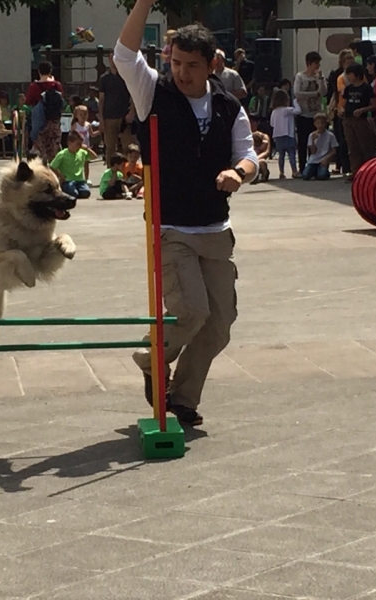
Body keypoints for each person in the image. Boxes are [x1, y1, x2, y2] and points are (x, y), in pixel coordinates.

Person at [115, 0, 258, 427]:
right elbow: (123, 54)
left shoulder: (229, 106)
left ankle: (182, 399)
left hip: (215, 228)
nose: (182, 72)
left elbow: (248, 154)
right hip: (170, 225)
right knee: (191, 310)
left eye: (191, 65)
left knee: (219, 325)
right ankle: (151, 356)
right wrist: (143, 3)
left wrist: (240, 173)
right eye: (176, 62)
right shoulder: (151, 91)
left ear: (212, 64)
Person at [98, 51, 135, 165]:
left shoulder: (126, 75)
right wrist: (101, 118)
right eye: (111, 58)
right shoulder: (104, 78)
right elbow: (101, 99)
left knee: (128, 146)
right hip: (109, 116)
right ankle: (110, 173)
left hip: (125, 116)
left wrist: (132, 112)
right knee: (110, 147)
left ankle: (128, 170)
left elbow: (134, 94)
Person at [343, 63, 376, 179]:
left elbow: (374, 104)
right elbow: (343, 102)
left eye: (350, 74)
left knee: (365, 146)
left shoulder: (366, 88)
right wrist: (341, 109)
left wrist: (362, 110)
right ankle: (355, 171)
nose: (348, 76)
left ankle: (368, 171)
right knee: (352, 147)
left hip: (361, 120)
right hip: (348, 119)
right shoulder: (348, 88)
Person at [294, 51, 327, 172]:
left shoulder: (318, 77)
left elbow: (323, 92)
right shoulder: (300, 76)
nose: (317, 66)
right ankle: (302, 167)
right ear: (309, 64)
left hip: (316, 114)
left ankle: (315, 165)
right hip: (304, 113)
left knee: (317, 142)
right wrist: (314, 94)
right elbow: (297, 93)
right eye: (315, 63)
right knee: (303, 142)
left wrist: (321, 79)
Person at [26, 60, 65, 162]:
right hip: (55, 122)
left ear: (39, 71)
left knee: (41, 151)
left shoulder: (34, 86)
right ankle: (54, 172)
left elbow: (29, 101)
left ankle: (43, 173)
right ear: (51, 71)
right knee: (54, 152)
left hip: (41, 123)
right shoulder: (57, 85)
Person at [50, 131, 98, 199]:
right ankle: (66, 190)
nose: (79, 146)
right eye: (77, 144)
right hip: (68, 181)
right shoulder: (62, 154)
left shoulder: (82, 152)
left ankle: (79, 190)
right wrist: (60, 175)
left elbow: (94, 157)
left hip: (80, 181)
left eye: (81, 144)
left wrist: (87, 149)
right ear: (69, 143)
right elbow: (52, 166)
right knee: (74, 193)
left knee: (86, 192)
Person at [331, 49, 355, 176]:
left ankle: (352, 166)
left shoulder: (358, 72)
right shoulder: (338, 75)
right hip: (341, 108)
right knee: (342, 139)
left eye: (351, 58)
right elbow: (338, 92)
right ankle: (343, 165)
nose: (350, 61)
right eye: (347, 59)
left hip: (355, 109)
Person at [270, 88, 300, 179]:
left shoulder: (274, 111)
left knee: (281, 155)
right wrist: (296, 102)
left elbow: (272, 123)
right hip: (288, 134)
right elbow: (298, 111)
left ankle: (281, 172)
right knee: (291, 154)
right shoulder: (287, 110)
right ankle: (294, 171)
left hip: (277, 135)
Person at [303, 113, 337, 180]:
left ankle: (322, 172)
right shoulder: (311, 135)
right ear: (314, 124)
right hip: (313, 160)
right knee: (305, 176)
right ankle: (315, 172)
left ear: (325, 124)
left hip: (323, 160)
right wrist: (313, 141)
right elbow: (313, 152)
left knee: (322, 176)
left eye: (322, 123)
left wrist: (326, 159)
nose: (320, 125)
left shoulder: (330, 135)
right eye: (318, 123)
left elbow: (334, 150)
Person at [71, 104, 99, 183]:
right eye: (81, 115)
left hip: (86, 147)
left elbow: (92, 134)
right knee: (76, 162)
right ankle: (75, 177)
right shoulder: (75, 125)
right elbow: (71, 135)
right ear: (76, 115)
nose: (83, 116)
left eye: (85, 114)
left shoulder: (88, 124)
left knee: (86, 163)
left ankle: (86, 179)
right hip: (77, 147)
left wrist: (99, 131)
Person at [250, 118, 271, 182]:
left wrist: (257, 158)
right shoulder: (246, 136)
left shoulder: (264, 136)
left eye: (253, 122)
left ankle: (264, 175)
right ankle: (254, 177)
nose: (251, 124)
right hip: (251, 157)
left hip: (259, 157)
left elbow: (267, 151)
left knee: (261, 162)